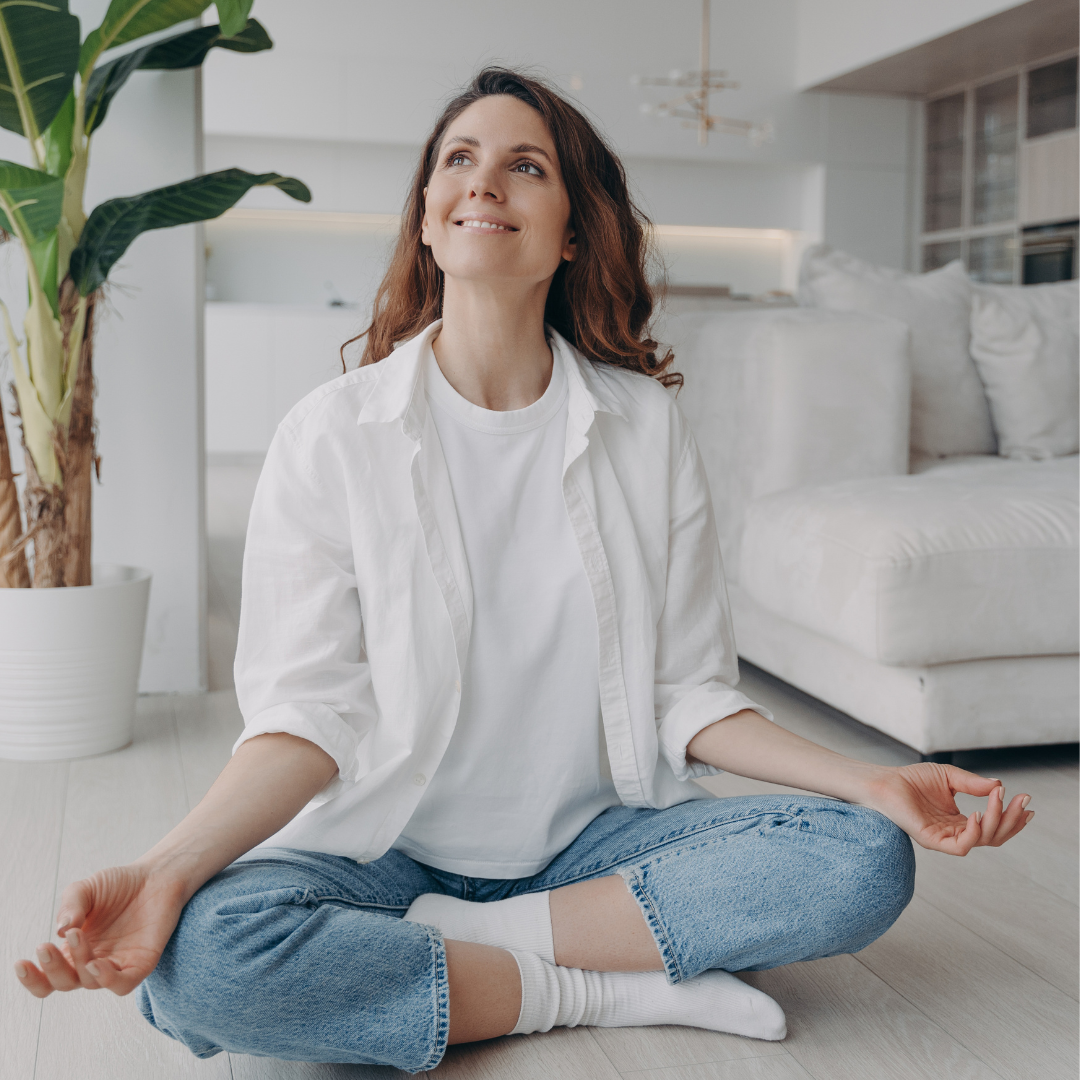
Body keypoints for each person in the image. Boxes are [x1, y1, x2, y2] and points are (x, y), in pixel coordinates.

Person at [15, 68, 1033, 1073]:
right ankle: (599, 983)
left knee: (861, 859)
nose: (484, 181)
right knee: (198, 966)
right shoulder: (332, 434)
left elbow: (688, 695)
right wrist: (163, 870)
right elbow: (305, 718)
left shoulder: (645, 428)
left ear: (574, 230)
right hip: (385, 852)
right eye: (459, 159)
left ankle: (468, 954)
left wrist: (875, 781)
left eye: (525, 165)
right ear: (426, 217)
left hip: (595, 842)